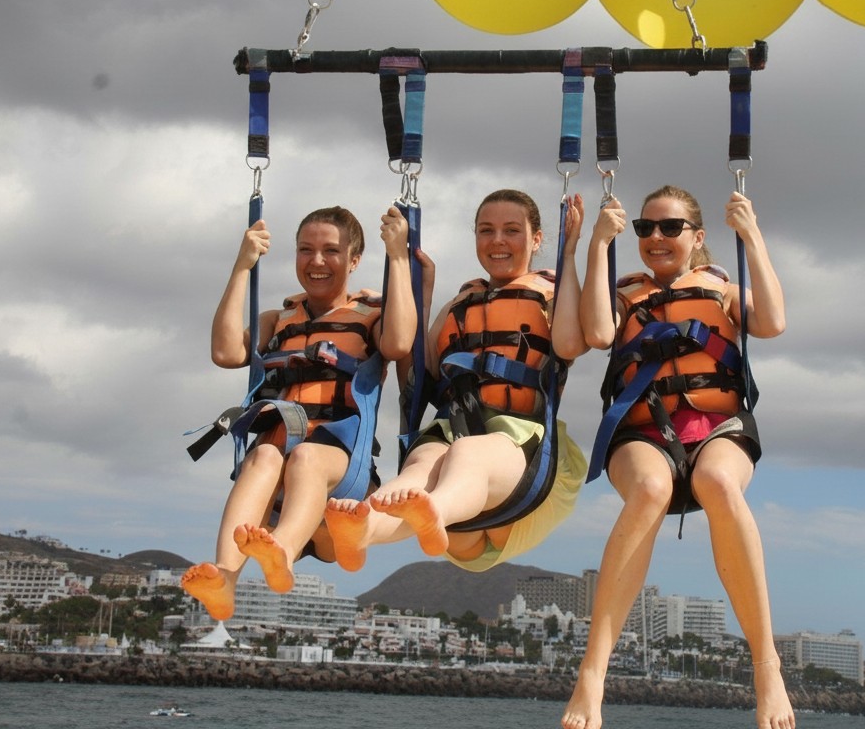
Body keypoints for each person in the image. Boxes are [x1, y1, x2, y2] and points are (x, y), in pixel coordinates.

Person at [562, 185, 794, 729]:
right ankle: (592, 675)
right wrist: (599, 243)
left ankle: (766, 667)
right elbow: (596, 333)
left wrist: (752, 234)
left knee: (718, 482)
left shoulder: (724, 290)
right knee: (649, 490)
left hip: (718, 427)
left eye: (670, 228)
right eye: (645, 229)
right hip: (641, 432)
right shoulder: (625, 295)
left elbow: (774, 322)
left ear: (697, 236)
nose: (656, 239)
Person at [325, 189, 587, 572]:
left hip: (525, 461)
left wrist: (570, 256)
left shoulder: (552, 293)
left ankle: (433, 511)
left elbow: (570, 344)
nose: (497, 240)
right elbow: (418, 379)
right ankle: (362, 530)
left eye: (511, 230)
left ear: (537, 239)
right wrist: (424, 294)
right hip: (461, 518)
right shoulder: (462, 302)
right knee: (421, 462)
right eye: (486, 230)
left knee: (467, 453)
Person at [181, 205, 416, 621]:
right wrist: (242, 267)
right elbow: (225, 351)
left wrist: (398, 256)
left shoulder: (372, 317)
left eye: (331, 251)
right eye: (305, 250)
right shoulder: (280, 318)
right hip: (277, 485)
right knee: (262, 455)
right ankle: (224, 580)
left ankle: (284, 552)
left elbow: (398, 344)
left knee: (306, 456)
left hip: (339, 479)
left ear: (355, 260)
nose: (317, 261)